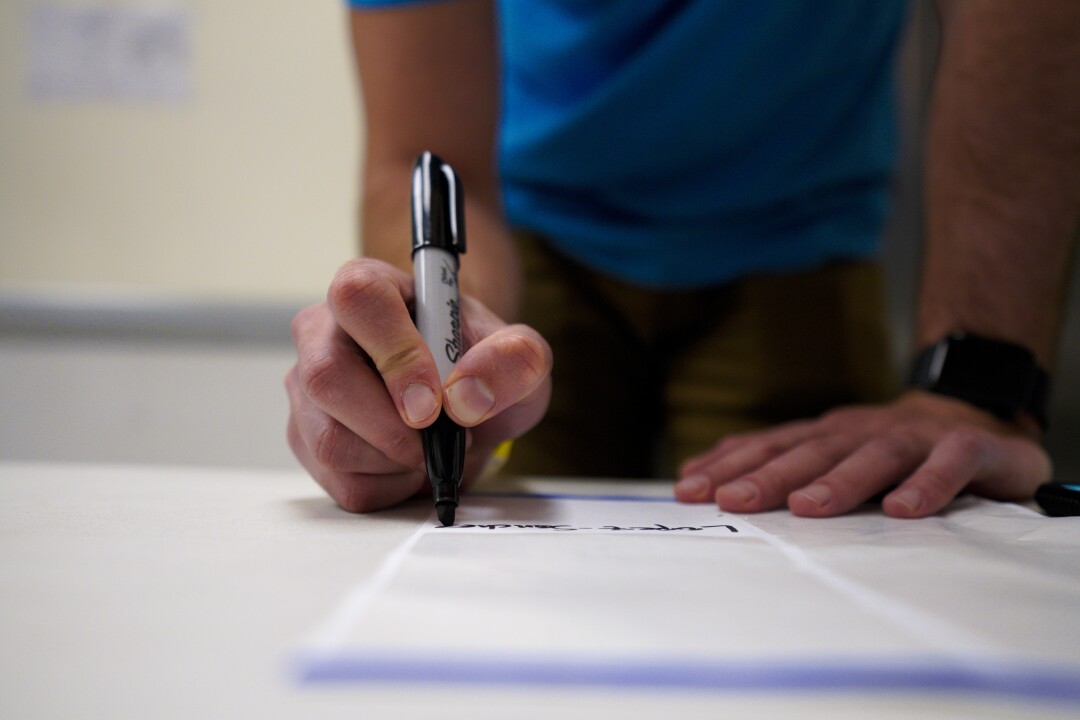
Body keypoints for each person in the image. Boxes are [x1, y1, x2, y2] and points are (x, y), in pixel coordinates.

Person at [285, 0, 1079, 519]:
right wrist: (446, 340)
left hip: (798, 240)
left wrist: (974, 386)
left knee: (810, 579)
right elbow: (422, 158)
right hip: (528, 246)